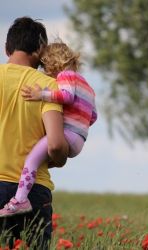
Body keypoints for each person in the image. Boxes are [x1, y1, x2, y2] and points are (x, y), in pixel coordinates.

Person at [0, 41, 97, 217]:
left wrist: (41, 95)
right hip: (79, 139)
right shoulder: (87, 86)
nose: (44, 72)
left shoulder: (65, 76)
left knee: (31, 160)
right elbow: (93, 116)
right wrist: (79, 126)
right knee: (42, 158)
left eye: (45, 67)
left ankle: (20, 200)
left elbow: (66, 97)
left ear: (52, 63)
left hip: (67, 135)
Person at [0, 17, 69, 249]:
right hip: (33, 193)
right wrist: (58, 161)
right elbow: (57, 145)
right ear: (41, 50)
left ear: (7, 48)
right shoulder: (48, 86)